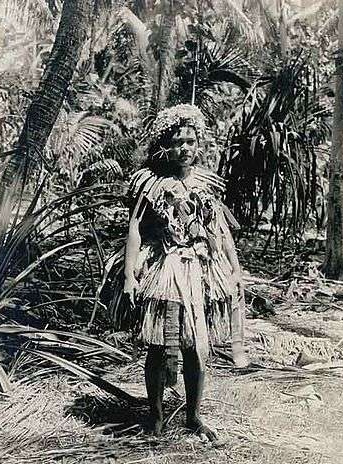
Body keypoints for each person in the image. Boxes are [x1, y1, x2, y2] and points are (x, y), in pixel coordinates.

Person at [120, 104, 247, 441]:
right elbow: (135, 227)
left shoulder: (205, 183)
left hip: (200, 269)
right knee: (159, 345)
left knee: (196, 346)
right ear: (165, 143)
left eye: (191, 141)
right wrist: (130, 275)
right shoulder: (152, 182)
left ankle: (193, 416)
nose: (185, 148)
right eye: (178, 141)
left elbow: (219, 228)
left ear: (198, 143)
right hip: (166, 268)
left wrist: (235, 269)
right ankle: (157, 417)